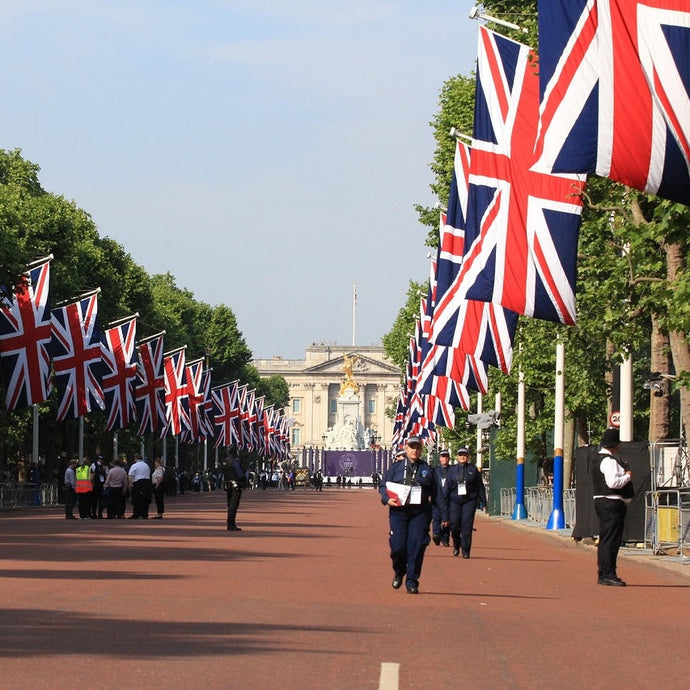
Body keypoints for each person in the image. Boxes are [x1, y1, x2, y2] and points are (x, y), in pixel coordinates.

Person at [379, 436, 441, 594]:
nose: (414, 450)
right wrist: (386, 499)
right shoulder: (395, 468)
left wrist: (442, 517)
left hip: (420, 513)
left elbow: (437, 496)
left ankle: (412, 580)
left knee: (417, 546)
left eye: (417, 447)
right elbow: (383, 485)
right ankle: (399, 571)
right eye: (412, 447)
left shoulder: (427, 469)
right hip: (399, 512)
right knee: (398, 546)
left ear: (421, 450)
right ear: (406, 448)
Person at [592, 428, 633, 586]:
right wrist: (627, 476)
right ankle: (608, 573)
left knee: (606, 539)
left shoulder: (596, 458)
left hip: (601, 502)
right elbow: (613, 483)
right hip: (611, 502)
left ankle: (604, 572)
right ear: (615, 445)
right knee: (612, 539)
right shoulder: (609, 461)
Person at [443, 447, 487, 558]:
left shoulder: (473, 470)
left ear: (468, 457)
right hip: (455, 500)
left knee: (467, 526)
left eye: (465, 455)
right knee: (454, 525)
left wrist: (483, 502)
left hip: (469, 500)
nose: (463, 457)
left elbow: (479, 486)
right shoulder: (452, 470)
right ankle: (457, 544)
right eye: (460, 455)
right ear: (457, 457)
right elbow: (447, 487)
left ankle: (466, 550)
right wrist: (445, 500)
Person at [222, 445, 245, 531]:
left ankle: (230, 523)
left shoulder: (224, 461)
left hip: (227, 484)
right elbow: (240, 474)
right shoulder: (235, 461)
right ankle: (231, 524)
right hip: (236, 484)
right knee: (233, 505)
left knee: (229, 504)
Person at [432, 450, 452, 547]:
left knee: (447, 520)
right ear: (440, 458)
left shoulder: (452, 470)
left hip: (449, 499)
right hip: (437, 498)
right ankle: (436, 534)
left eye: (446, 457)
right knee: (436, 518)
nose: (445, 459)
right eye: (443, 457)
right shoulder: (435, 470)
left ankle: (445, 538)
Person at [128, 453, 152, 519]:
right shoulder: (146, 465)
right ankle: (145, 514)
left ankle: (136, 514)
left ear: (136, 459)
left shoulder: (135, 465)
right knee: (145, 499)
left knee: (137, 499)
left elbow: (130, 475)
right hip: (147, 482)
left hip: (138, 482)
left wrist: (130, 483)